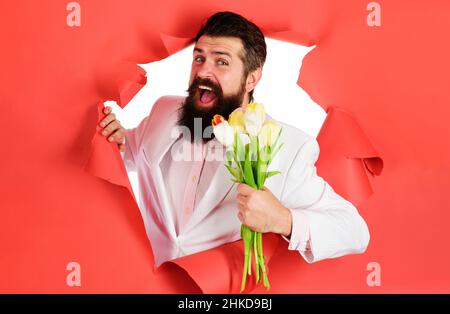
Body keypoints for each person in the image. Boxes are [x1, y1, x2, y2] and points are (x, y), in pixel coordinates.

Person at [99, 11, 370, 268]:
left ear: (252, 78)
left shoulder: (288, 146)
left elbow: (355, 231)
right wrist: (119, 140)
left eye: (222, 61)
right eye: (199, 58)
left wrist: (284, 220)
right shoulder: (164, 110)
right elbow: (132, 154)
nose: (204, 71)